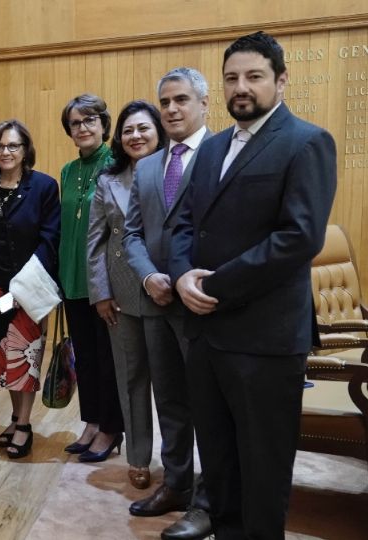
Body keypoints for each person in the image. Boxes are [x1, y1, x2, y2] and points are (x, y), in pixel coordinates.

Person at [170, 31, 336, 539]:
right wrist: (180, 277)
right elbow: (183, 223)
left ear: (281, 80)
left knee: (262, 471)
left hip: (264, 339)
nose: (241, 87)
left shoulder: (307, 141)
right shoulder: (212, 146)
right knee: (218, 464)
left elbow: (298, 237)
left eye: (254, 76)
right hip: (205, 335)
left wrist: (214, 284)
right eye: (232, 78)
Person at [123, 67, 213, 539]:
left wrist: (186, 280)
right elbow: (132, 233)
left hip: (203, 304)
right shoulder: (149, 167)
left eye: (181, 99)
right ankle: (176, 483)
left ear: (203, 103)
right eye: (165, 102)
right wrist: (149, 275)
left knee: (209, 405)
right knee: (170, 401)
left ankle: (209, 498)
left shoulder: (222, 155)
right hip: (156, 299)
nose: (172, 109)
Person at [87, 100, 166, 483]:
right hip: (121, 296)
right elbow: (94, 242)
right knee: (130, 378)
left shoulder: (176, 170)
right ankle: (137, 458)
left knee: (170, 383)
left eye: (143, 128)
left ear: (158, 131)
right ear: (119, 138)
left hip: (167, 293)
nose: (136, 136)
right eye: (128, 130)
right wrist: (100, 293)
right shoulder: (108, 180)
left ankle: (178, 462)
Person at [0, 119, 60, 459]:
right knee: (3, 363)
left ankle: (24, 425)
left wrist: (23, 283)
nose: (5, 152)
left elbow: (51, 236)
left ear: (26, 151)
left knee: (26, 359)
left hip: (30, 286)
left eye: (13, 146)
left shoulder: (43, 186)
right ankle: (15, 417)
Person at [56, 95, 124, 463]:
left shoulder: (116, 164)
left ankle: (112, 428)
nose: (82, 128)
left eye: (89, 121)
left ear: (103, 124)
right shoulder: (67, 171)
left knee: (108, 359)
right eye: (75, 123)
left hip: (104, 282)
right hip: (71, 278)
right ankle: (93, 421)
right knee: (85, 357)